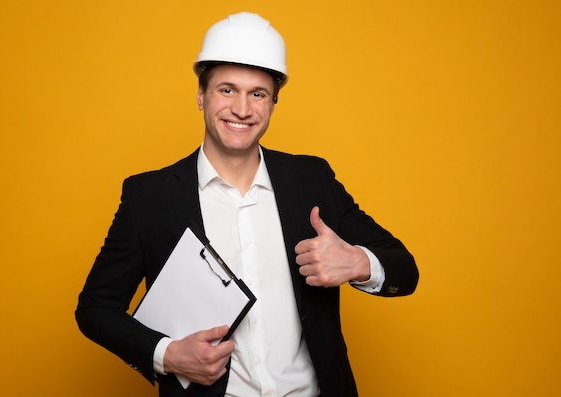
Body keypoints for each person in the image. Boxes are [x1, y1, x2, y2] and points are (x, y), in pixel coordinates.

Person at [76, 11, 419, 397]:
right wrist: (167, 355)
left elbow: (405, 269)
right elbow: (95, 308)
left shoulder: (311, 180)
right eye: (227, 90)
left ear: (273, 103)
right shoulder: (149, 197)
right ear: (201, 96)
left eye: (257, 94)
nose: (242, 109)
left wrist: (359, 262)